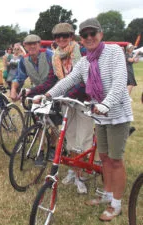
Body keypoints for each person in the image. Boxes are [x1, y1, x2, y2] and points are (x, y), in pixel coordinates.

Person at [41, 18, 132, 222]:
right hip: (99, 115)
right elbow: (68, 81)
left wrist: (106, 105)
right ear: (81, 39)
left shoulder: (115, 52)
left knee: (116, 160)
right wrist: (47, 95)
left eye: (93, 33)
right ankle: (107, 194)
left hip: (116, 114)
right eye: (85, 35)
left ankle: (116, 203)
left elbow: (119, 83)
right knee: (105, 158)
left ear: (101, 34)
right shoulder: (85, 62)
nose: (89, 38)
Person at [49, 22, 94, 194]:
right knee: (69, 136)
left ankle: (81, 175)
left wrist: (68, 94)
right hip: (66, 101)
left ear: (72, 37)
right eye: (58, 36)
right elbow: (53, 80)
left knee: (84, 137)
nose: (61, 39)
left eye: (65, 36)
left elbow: (86, 79)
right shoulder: (55, 56)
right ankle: (72, 170)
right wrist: (42, 94)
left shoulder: (82, 51)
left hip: (84, 100)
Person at [10, 34, 58, 101]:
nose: (32, 46)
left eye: (35, 43)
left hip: (56, 92)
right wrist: (13, 89)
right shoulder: (24, 60)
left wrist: (30, 91)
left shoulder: (49, 55)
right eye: (29, 44)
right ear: (25, 46)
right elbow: (18, 78)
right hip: (38, 93)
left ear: (39, 44)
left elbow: (55, 78)